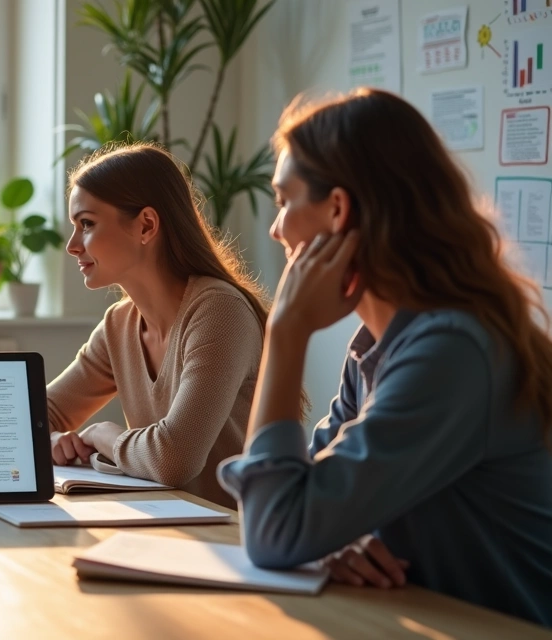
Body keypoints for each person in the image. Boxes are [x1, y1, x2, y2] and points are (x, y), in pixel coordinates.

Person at [218, 88, 552, 627]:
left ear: (338, 209)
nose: (276, 228)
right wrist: (327, 543)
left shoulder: (451, 352)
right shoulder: (379, 350)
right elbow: (289, 509)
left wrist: (286, 331)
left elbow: (272, 529)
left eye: (283, 201)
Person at [46, 142, 272, 508]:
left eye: (86, 224)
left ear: (146, 225)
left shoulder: (219, 311)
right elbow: (32, 416)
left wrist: (106, 436)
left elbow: (174, 459)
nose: (72, 245)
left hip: (239, 539)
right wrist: (51, 438)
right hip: (173, 530)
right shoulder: (120, 324)